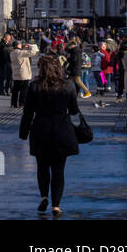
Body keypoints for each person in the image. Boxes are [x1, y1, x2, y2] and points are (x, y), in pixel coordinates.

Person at [20, 54, 83, 216]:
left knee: (42, 167)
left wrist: (23, 132)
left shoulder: (34, 86)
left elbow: (28, 113)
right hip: (61, 131)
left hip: (40, 130)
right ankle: (56, 206)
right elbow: (74, 110)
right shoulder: (67, 85)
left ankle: (43, 197)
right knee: (58, 170)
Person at [9, 39, 39, 109]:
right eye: (20, 44)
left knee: (15, 90)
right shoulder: (20, 52)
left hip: (16, 73)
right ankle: (22, 103)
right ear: (18, 45)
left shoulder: (12, 52)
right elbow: (33, 52)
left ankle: (13, 103)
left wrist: (24, 48)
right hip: (23, 74)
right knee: (24, 90)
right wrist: (30, 45)